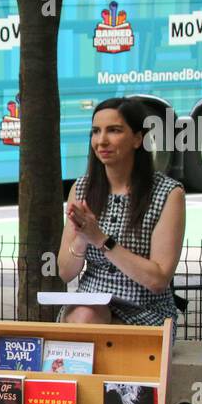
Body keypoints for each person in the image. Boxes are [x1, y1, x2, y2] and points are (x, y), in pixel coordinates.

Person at [58, 97, 186, 325]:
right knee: (84, 315)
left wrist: (100, 240)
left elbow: (158, 280)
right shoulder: (82, 188)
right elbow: (65, 272)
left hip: (145, 308)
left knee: (96, 328)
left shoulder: (168, 193)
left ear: (138, 139)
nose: (102, 141)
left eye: (114, 131)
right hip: (90, 304)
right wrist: (82, 237)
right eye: (96, 132)